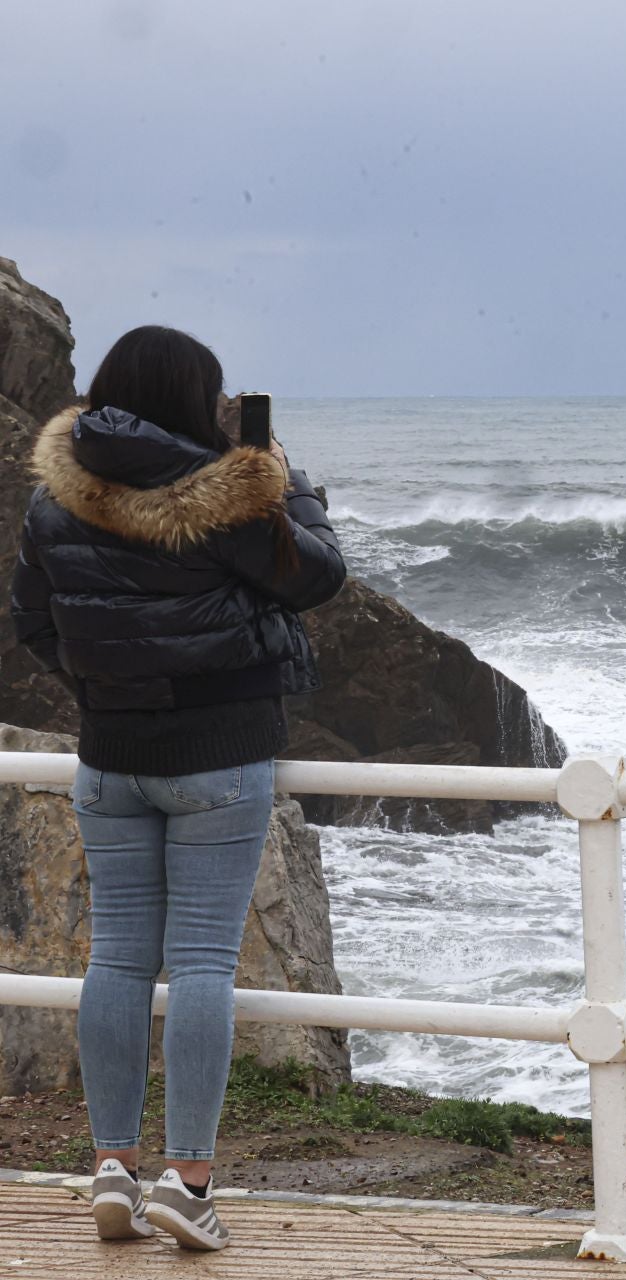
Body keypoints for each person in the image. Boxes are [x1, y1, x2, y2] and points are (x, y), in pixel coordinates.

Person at [6, 326, 346, 1251]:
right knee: (199, 966)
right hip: (219, 753)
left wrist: (105, 688)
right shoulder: (228, 494)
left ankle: (113, 1166)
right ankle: (186, 1181)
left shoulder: (56, 500)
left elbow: (33, 621)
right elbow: (318, 575)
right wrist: (285, 477)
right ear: (196, 399)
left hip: (110, 757)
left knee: (116, 961)